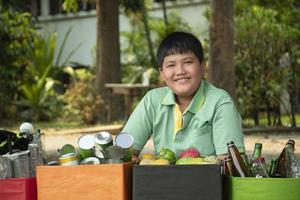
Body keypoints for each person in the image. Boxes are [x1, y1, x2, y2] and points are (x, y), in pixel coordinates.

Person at [122, 31, 245, 160]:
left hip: (209, 179)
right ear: (162, 74)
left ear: (203, 67)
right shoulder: (152, 100)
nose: (180, 71)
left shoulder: (220, 102)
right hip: (161, 178)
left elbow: (229, 162)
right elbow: (125, 152)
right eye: (171, 65)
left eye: (188, 62)